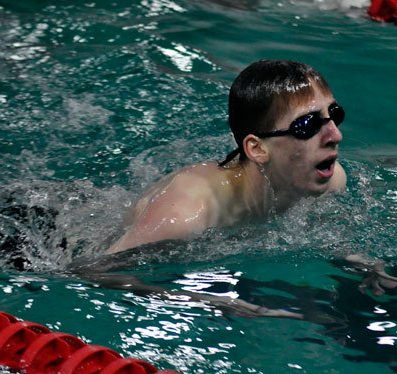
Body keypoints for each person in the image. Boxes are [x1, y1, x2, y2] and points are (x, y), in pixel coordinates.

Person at [107, 59, 347, 254]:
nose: (335, 135)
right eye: (308, 124)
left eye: (334, 114)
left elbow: (331, 236)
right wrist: (215, 302)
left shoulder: (331, 180)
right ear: (257, 149)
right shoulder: (183, 214)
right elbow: (95, 272)